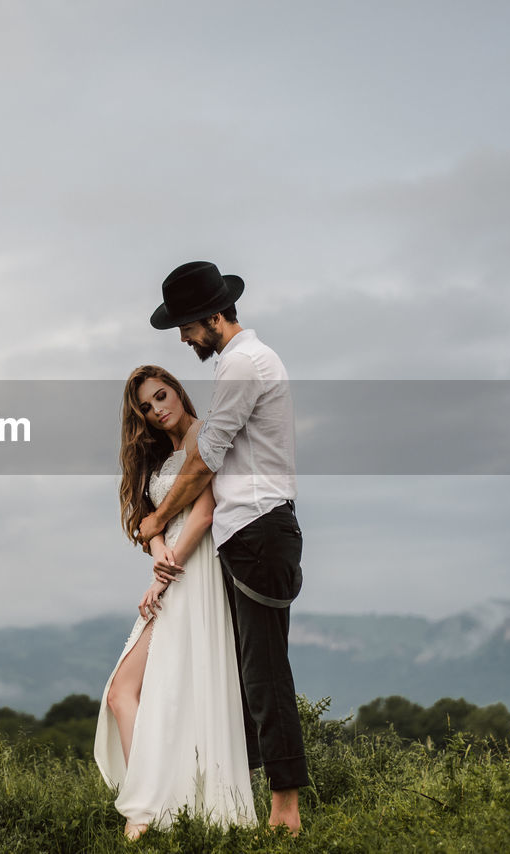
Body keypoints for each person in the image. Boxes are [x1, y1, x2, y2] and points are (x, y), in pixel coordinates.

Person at [137, 260, 310, 836]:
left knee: (263, 674)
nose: (184, 339)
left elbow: (207, 456)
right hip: (252, 532)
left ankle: (286, 814)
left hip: (259, 529)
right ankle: (243, 800)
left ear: (213, 316)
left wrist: (157, 517)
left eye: (186, 327)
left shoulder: (242, 364)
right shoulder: (247, 362)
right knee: (247, 674)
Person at [94, 365, 257, 841]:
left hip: (195, 571)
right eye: (146, 406)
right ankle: (156, 804)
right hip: (174, 568)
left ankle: (144, 812)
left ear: (178, 391)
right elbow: (151, 519)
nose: (157, 409)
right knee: (131, 691)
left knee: (131, 688)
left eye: (161, 396)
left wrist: (165, 573)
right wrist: (158, 544)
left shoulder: (204, 435)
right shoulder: (160, 453)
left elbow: (205, 513)